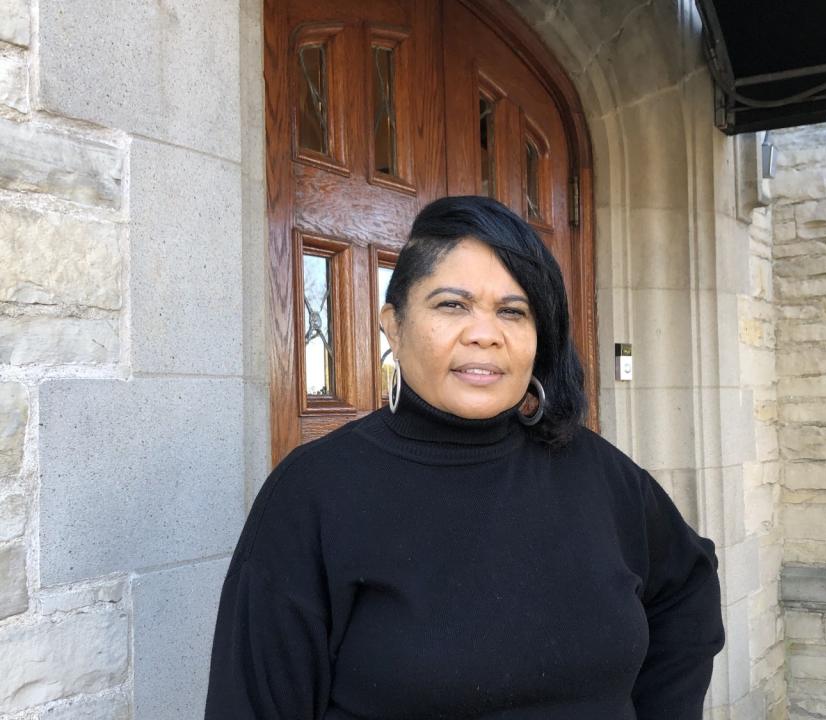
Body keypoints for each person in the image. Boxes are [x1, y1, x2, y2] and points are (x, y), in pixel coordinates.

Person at [204, 195, 724, 720]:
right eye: (452, 304)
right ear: (393, 325)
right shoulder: (314, 493)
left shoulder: (603, 477)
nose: (485, 333)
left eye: (512, 312)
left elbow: (687, 590)